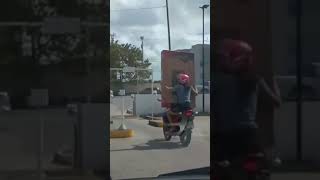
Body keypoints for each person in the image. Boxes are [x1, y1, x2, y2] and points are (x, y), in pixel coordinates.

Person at [212, 39, 281, 170]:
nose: (219, 61)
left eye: (222, 57)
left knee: (219, 168)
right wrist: (274, 81)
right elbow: (276, 102)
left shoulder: (217, 80)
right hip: (249, 135)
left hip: (223, 136)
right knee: (261, 167)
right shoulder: (255, 79)